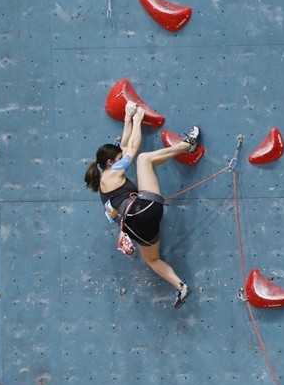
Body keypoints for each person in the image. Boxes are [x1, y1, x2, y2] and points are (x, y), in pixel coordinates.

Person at [83, 102, 200, 308]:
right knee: (144, 159)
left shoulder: (106, 183)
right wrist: (138, 120)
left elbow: (125, 146)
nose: (122, 159)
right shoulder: (111, 175)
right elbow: (133, 149)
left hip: (137, 231)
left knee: (153, 260)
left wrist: (128, 118)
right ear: (111, 163)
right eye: (118, 158)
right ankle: (187, 146)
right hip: (142, 211)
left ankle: (181, 287)